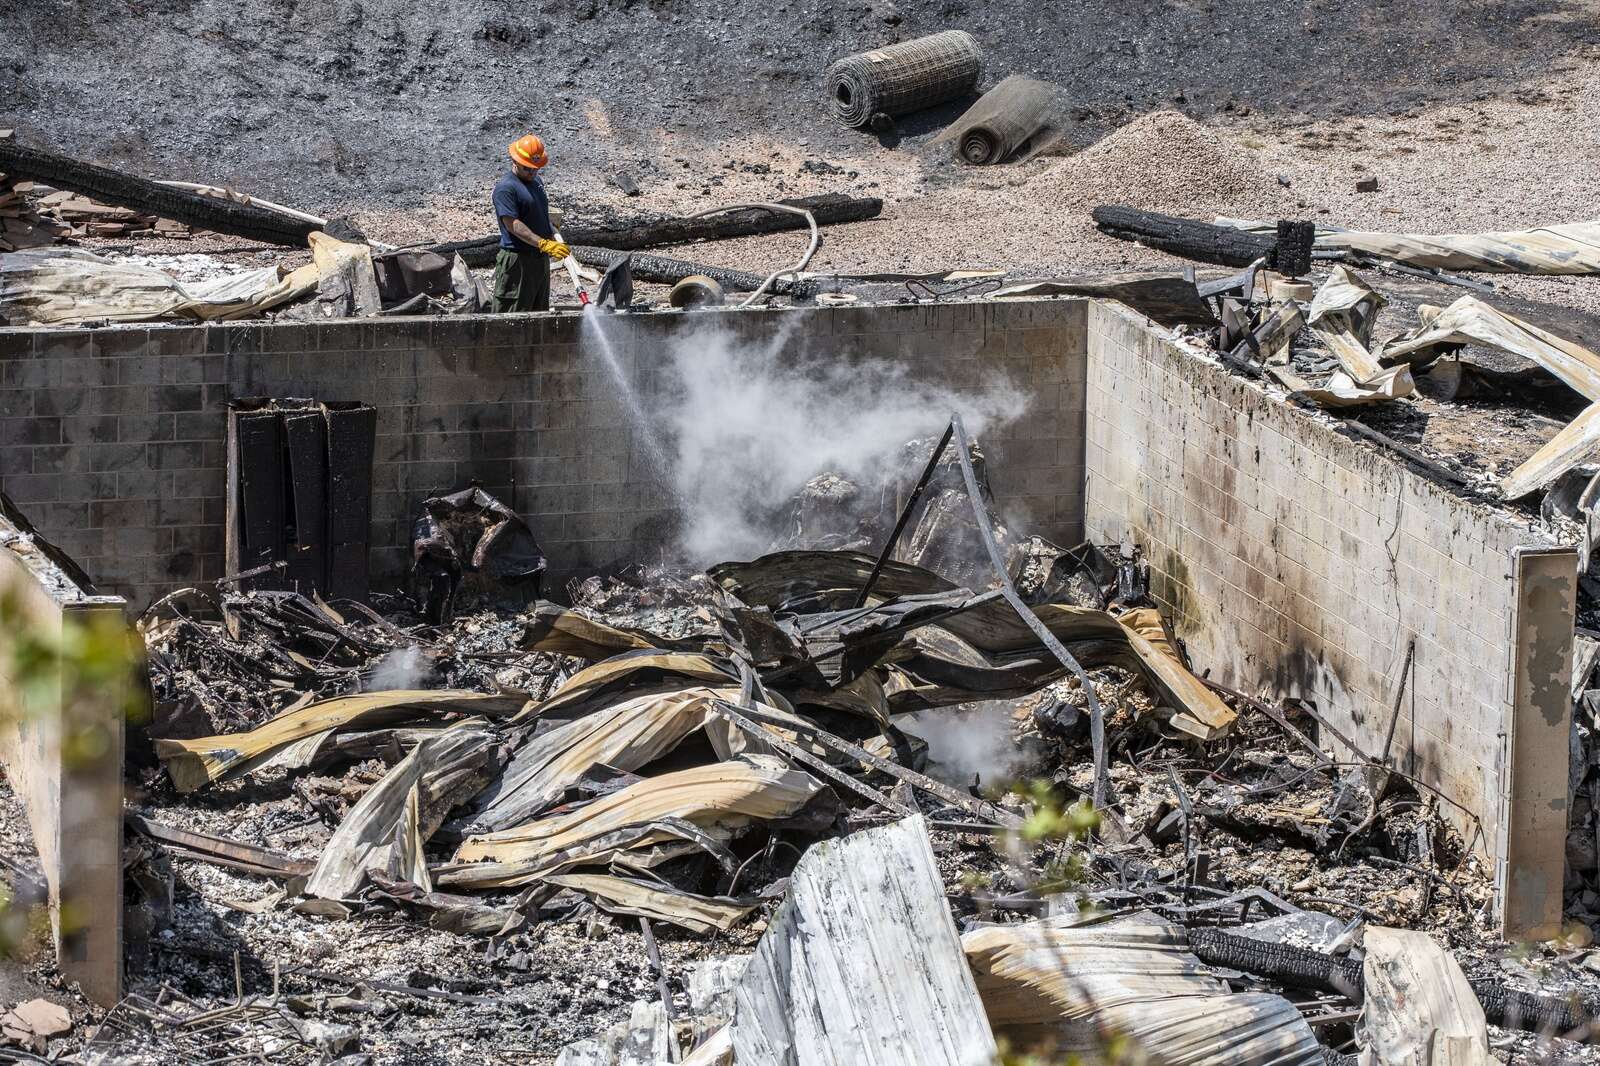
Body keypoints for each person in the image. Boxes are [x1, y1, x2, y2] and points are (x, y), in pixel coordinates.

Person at [491, 135, 571, 313]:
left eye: (536, 168)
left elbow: (539, 215)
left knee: (538, 312)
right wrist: (543, 243)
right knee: (512, 315)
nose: (532, 172)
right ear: (515, 161)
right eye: (527, 168)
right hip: (517, 260)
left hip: (539, 259)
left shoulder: (536, 182)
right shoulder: (506, 188)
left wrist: (553, 240)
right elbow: (513, 224)